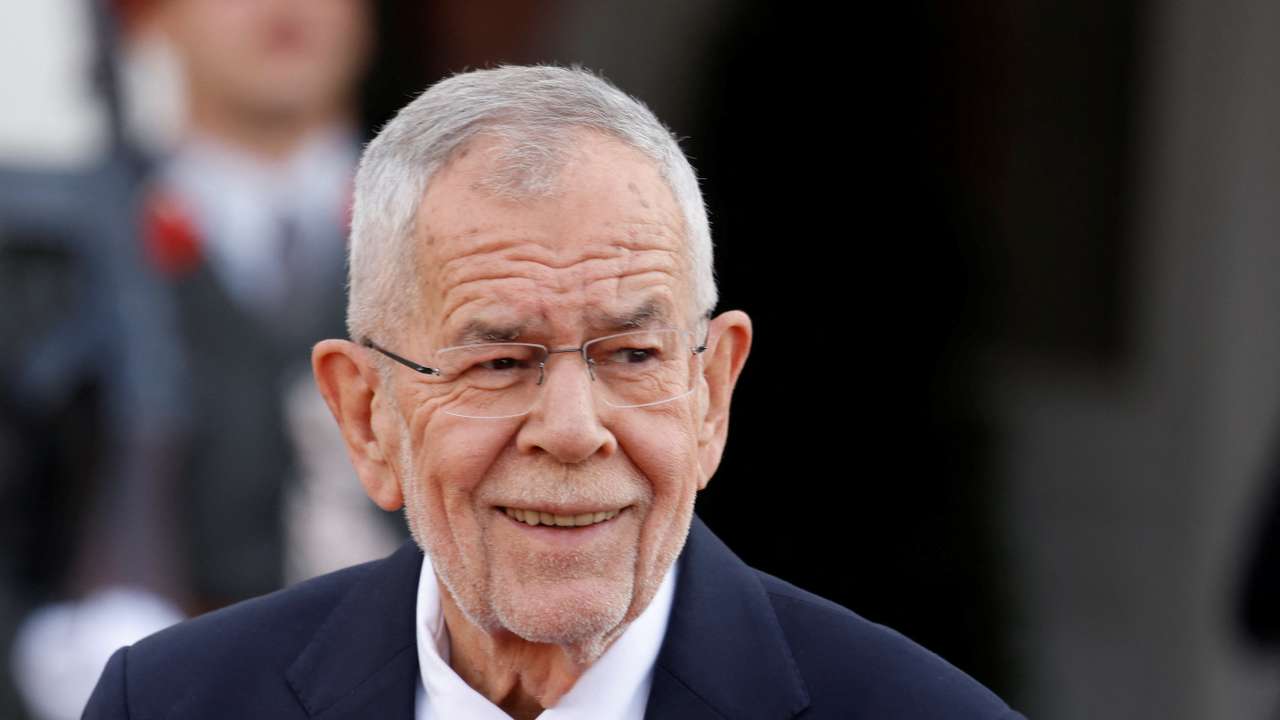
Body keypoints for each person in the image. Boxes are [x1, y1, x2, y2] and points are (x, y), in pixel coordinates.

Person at [84, 65, 1023, 719]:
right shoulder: (174, 705)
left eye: (630, 356)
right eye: (499, 363)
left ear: (712, 395)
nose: (573, 433)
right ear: (366, 416)